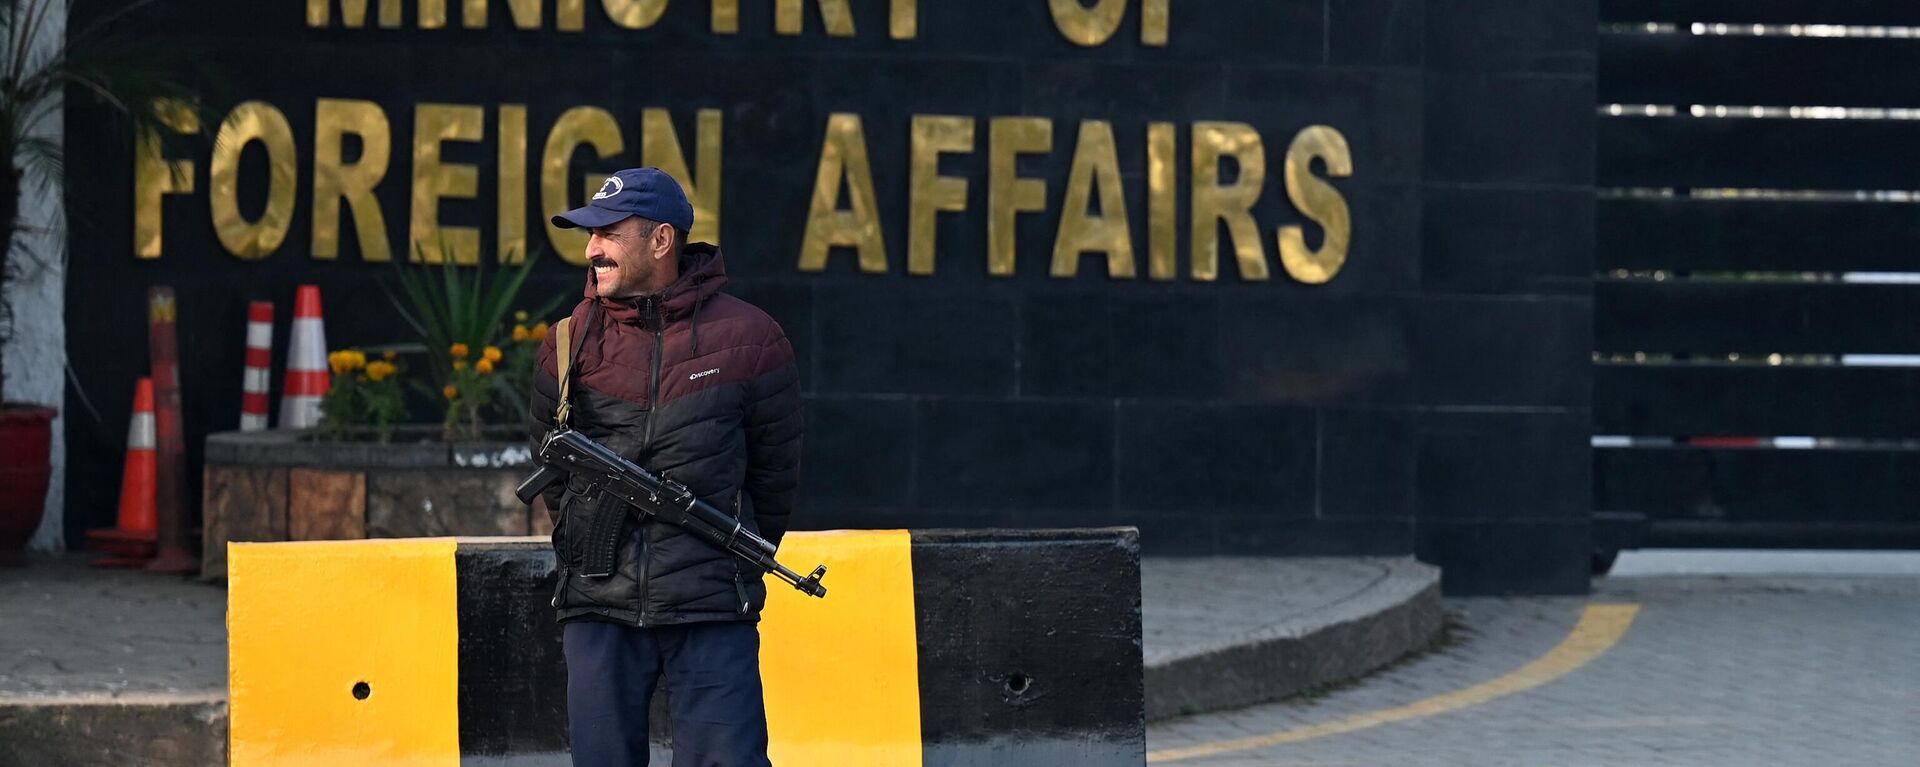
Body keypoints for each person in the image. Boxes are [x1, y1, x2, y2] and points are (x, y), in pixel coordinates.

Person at [527, 167, 803, 766]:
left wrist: (722, 562)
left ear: (661, 240)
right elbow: (553, 473)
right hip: (598, 606)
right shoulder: (568, 342)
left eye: (608, 232)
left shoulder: (751, 339)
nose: (592, 248)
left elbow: (774, 481)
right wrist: (595, 550)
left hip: (710, 606)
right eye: (589, 233)